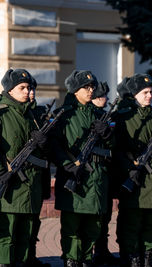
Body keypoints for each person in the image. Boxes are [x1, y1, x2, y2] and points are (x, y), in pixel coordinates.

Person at [50, 70, 113, 267]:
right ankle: (71, 260)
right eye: (86, 87)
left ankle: (86, 260)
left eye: (92, 86)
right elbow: (53, 146)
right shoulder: (63, 115)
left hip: (96, 180)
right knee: (72, 227)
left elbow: (113, 147)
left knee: (93, 226)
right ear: (75, 90)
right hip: (74, 177)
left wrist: (108, 135)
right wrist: (67, 165)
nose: (90, 90)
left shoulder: (99, 114)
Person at [114, 74, 152, 267]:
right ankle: (132, 257)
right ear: (134, 94)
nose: (149, 96)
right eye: (145, 92)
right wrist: (129, 168)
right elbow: (116, 149)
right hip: (135, 179)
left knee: (150, 223)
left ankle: (147, 256)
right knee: (132, 223)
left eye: (151, 92)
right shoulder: (123, 118)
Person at [0, 69, 49, 267]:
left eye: (29, 87)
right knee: (7, 233)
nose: (27, 91)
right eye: (22, 88)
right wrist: (3, 172)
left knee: (27, 231)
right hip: (9, 184)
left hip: (31, 184)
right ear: (10, 90)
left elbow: (45, 152)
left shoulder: (33, 115)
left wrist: (44, 142)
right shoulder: (3, 113)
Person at [91, 82, 119, 266]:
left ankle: (102, 249)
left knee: (105, 214)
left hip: (107, 172)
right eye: (101, 96)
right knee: (93, 217)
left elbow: (115, 144)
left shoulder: (107, 115)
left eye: (105, 96)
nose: (105, 99)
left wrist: (109, 135)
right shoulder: (89, 115)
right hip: (91, 171)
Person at [26, 76, 52, 267]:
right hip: (22, 170)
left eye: (34, 89)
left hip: (40, 171)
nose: (31, 93)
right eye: (28, 89)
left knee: (35, 219)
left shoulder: (41, 112)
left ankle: (32, 255)